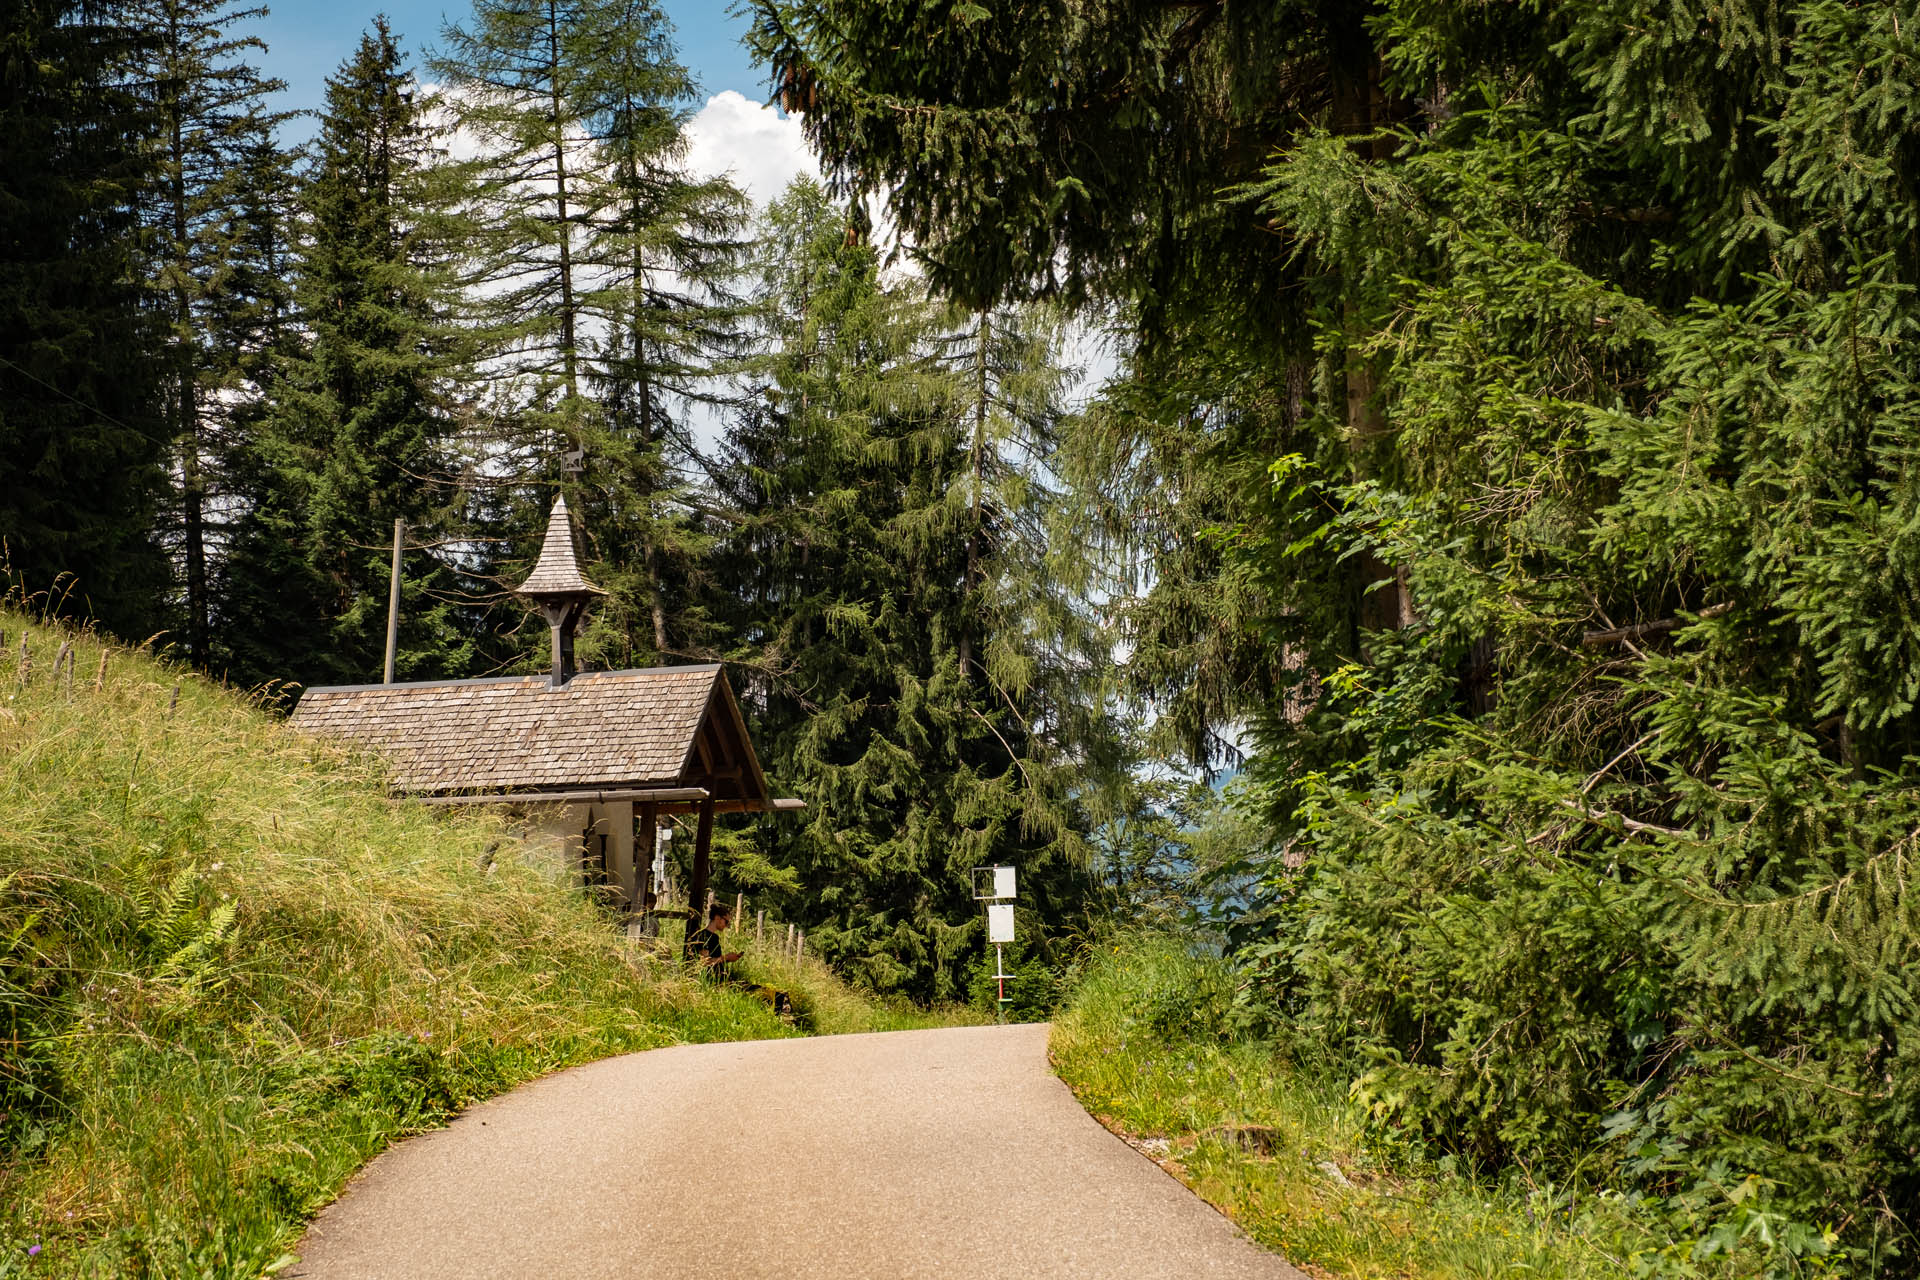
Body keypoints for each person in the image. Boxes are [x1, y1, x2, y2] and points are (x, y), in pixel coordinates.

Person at [687, 902, 744, 979]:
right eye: (726, 921)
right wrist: (726, 957)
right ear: (717, 918)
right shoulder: (703, 936)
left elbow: (715, 960)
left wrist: (729, 958)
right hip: (710, 980)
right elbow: (704, 962)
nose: (726, 925)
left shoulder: (715, 937)